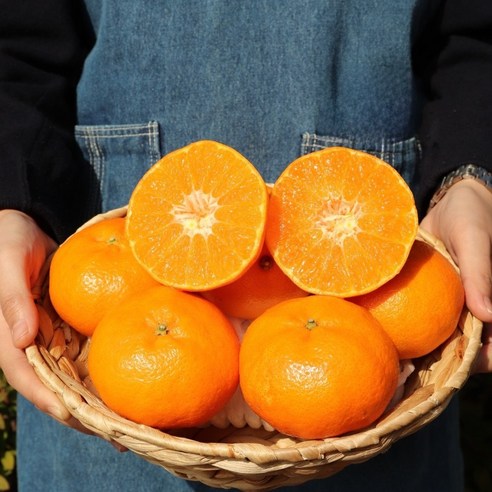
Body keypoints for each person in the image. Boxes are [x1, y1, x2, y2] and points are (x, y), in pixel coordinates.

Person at [0, 0, 491, 490]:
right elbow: (19, 48)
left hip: (373, 402)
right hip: (110, 393)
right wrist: (12, 197)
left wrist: (471, 177)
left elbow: (475, 37)